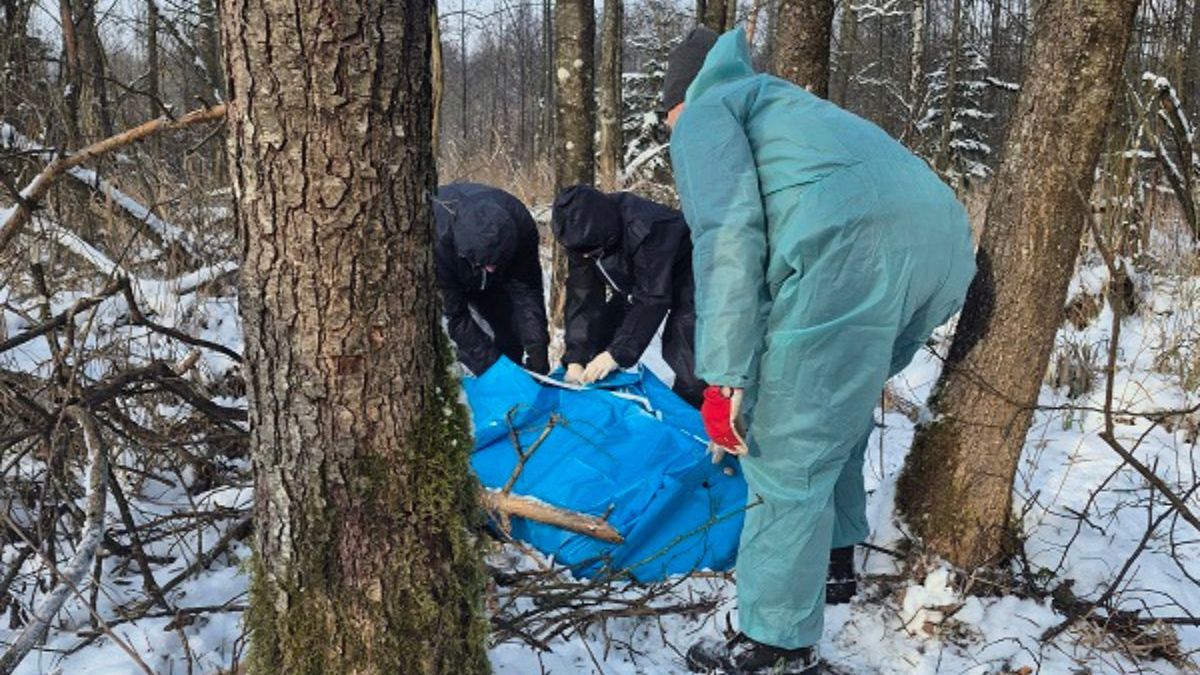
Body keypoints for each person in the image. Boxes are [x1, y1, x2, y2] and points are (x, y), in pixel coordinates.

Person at [664, 26, 977, 674]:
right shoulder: (782, 104)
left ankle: (775, 644)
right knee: (837, 400)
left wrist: (722, 379)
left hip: (848, 248)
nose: (667, 129)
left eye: (664, 115)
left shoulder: (703, 115)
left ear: (679, 96)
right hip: (942, 245)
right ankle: (835, 559)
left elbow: (728, 239)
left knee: (785, 442)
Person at [551, 184, 706, 407]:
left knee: (684, 347)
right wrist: (576, 357)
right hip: (634, 283)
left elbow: (652, 298)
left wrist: (616, 354)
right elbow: (582, 296)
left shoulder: (647, 227)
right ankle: (598, 401)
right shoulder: (580, 238)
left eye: (592, 252)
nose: (586, 257)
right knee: (599, 336)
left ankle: (694, 409)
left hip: (687, 274)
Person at [433, 182, 549, 376]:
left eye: (494, 264)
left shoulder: (519, 225)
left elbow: (527, 290)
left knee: (510, 336)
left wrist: (537, 348)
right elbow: (456, 316)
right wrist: (493, 366)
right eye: (486, 265)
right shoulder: (437, 240)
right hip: (452, 274)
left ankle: (517, 386)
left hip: (497, 278)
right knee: (474, 352)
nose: (490, 268)